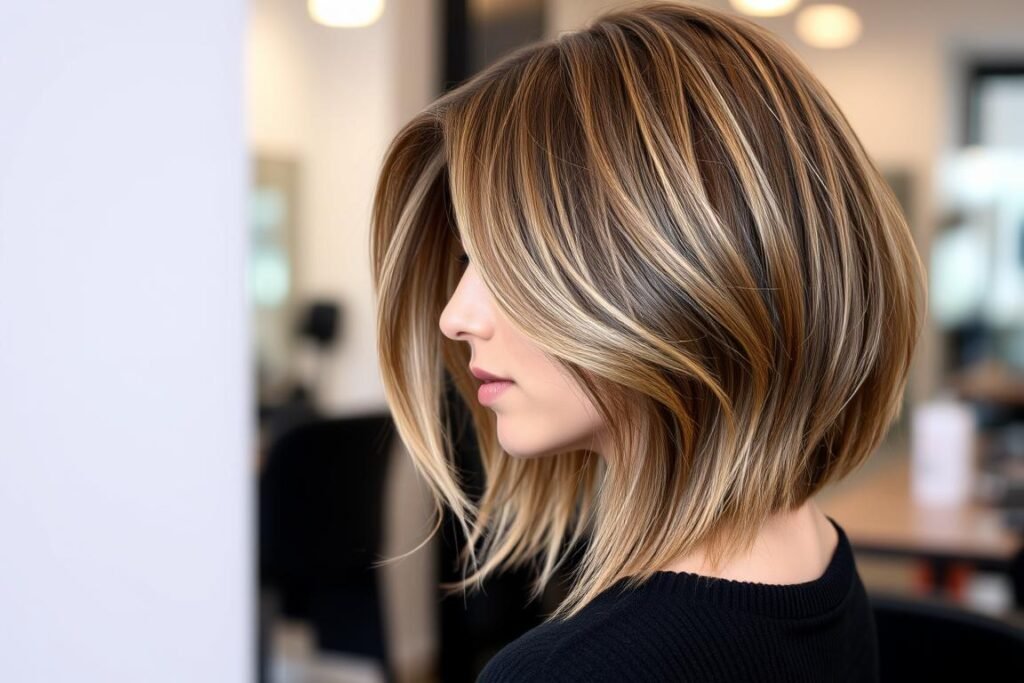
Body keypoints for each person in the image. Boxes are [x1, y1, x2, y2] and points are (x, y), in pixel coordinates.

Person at [368, 2, 926, 680]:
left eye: (507, 260)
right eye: (467, 261)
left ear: (672, 273)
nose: (453, 316)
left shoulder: (567, 673)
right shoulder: (815, 556)